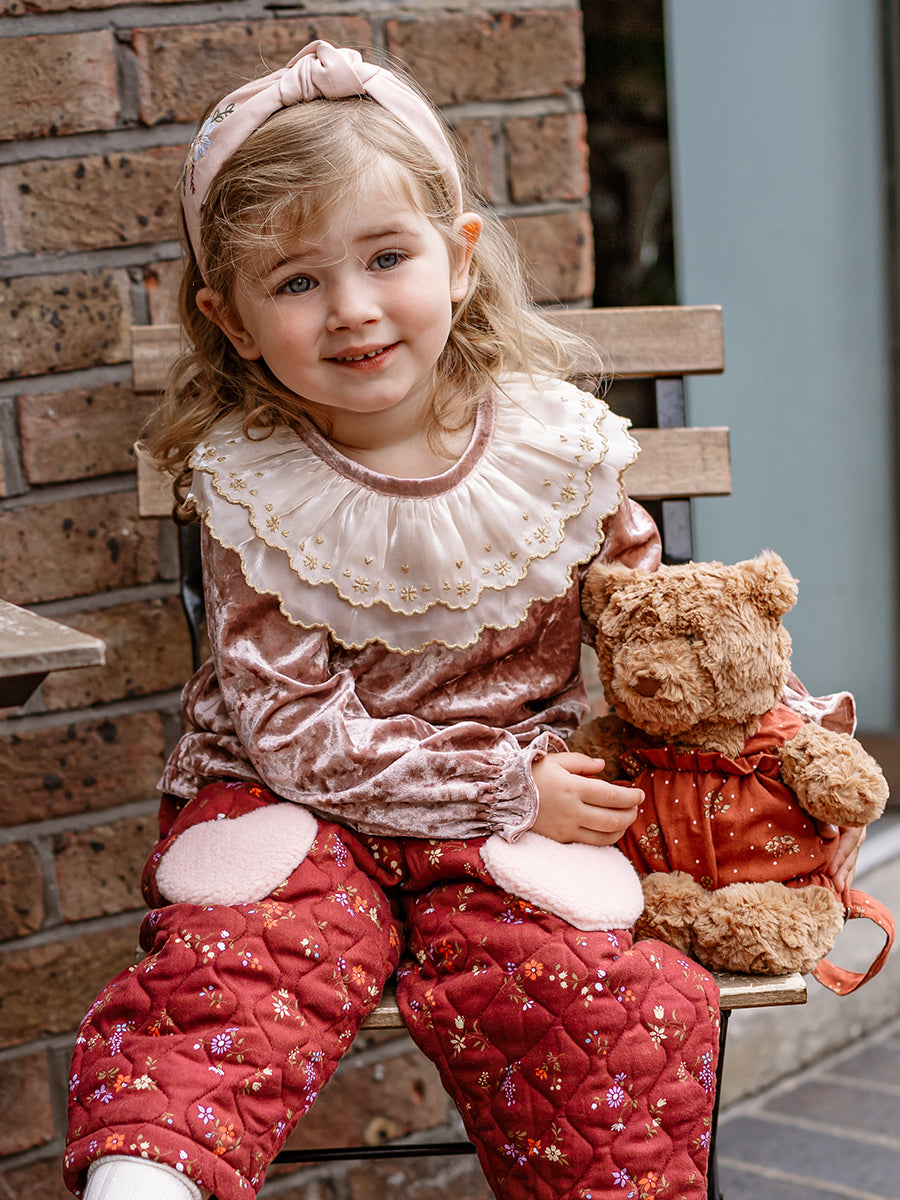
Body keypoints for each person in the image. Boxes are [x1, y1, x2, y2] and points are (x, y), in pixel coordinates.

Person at [63, 40, 858, 1200]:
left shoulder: (550, 451)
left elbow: (654, 620)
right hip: (300, 805)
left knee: (591, 994)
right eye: (295, 283)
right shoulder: (257, 485)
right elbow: (291, 733)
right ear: (230, 321)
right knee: (241, 962)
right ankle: (147, 1181)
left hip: (520, 808)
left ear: (461, 257)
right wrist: (501, 790)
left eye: (387, 257)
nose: (352, 310)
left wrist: (777, 744)